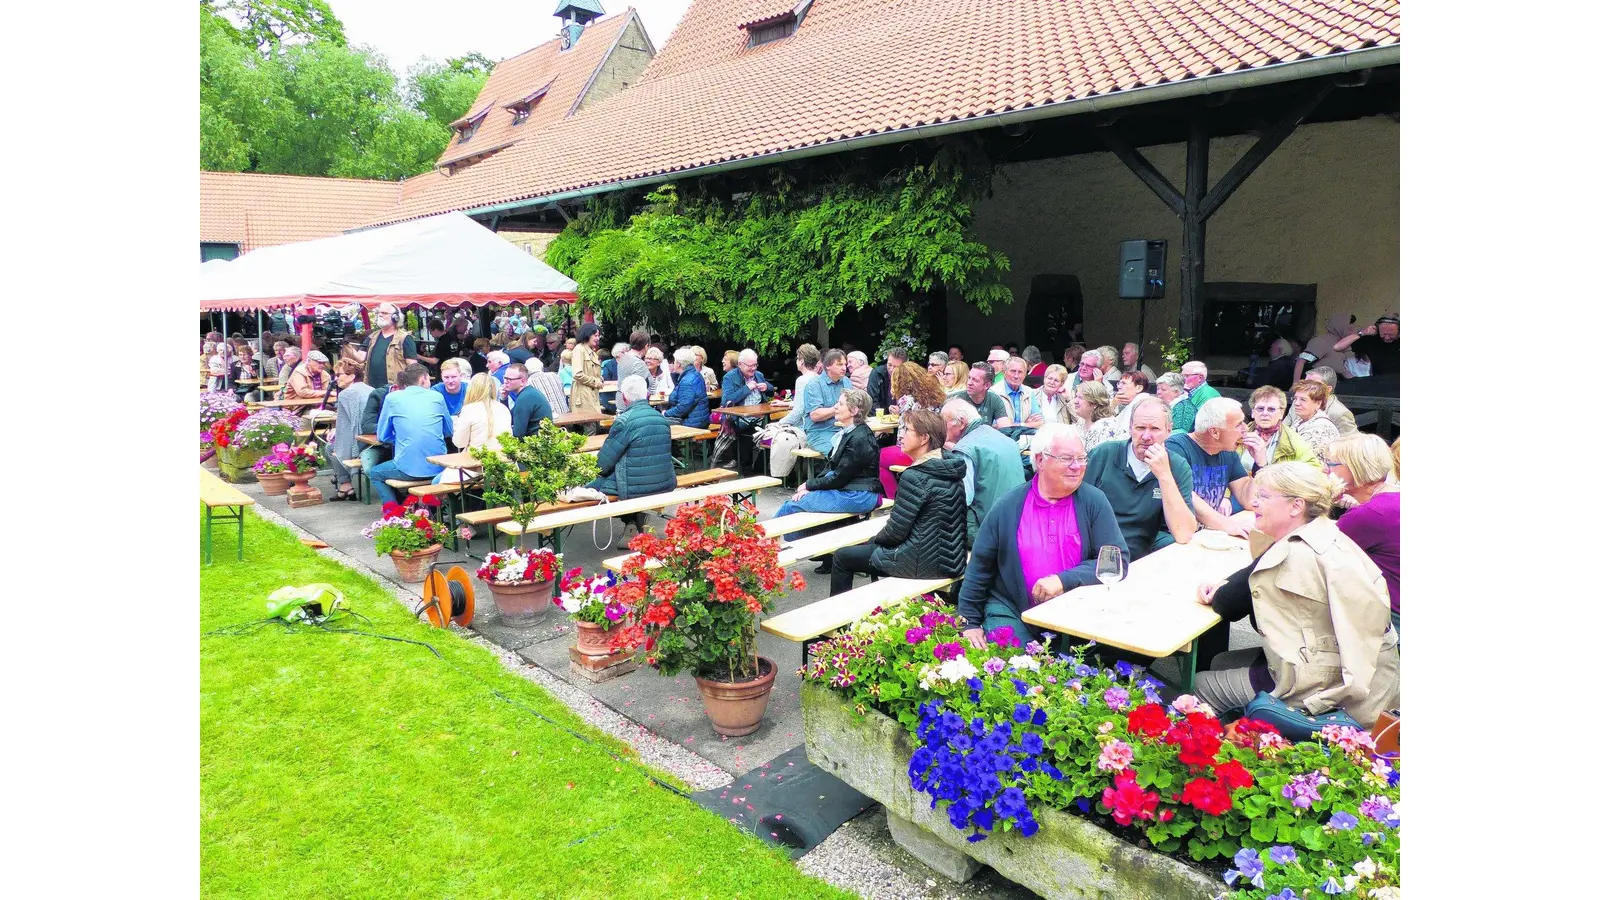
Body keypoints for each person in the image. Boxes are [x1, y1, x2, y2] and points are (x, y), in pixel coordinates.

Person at [1192, 463, 1399, 728]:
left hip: (1333, 688)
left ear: (1296, 506)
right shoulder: (1328, 532)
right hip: (1371, 675)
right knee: (1222, 660)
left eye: (1264, 496)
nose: (1254, 502)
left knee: (1202, 684)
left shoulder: (1292, 553)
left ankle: (1212, 753)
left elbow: (1229, 605)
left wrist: (1222, 587)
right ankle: (1249, 734)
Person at [958, 424, 1129, 646]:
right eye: (1067, 458)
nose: (1076, 466)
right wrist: (969, 622)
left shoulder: (1093, 501)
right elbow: (980, 565)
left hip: (1073, 616)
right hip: (1012, 609)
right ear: (1040, 460)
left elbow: (1118, 561)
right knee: (1018, 669)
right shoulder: (1009, 506)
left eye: (1082, 458)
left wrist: (1063, 580)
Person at [831, 409, 969, 595]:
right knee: (869, 547)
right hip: (951, 560)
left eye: (907, 430)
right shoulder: (950, 468)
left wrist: (876, 540)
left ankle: (839, 624)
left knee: (842, 557)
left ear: (924, 438)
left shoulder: (915, 476)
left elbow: (896, 532)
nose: (900, 435)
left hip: (920, 563)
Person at [774, 388, 884, 572]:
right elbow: (832, 469)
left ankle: (765, 551)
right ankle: (823, 552)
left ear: (854, 411)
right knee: (804, 503)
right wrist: (810, 487)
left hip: (859, 495)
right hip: (851, 490)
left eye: (840, 404)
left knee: (790, 507)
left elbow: (839, 478)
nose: (835, 407)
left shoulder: (859, 438)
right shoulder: (852, 431)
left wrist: (809, 485)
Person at [1084, 396, 1196, 560]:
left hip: (1141, 554)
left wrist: (1164, 475)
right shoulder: (1104, 454)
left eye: (1155, 429)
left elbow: (1184, 533)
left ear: (1169, 430)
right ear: (1130, 428)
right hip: (1095, 549)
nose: (1146, 436)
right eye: (1140, 427)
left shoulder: (1177, 466)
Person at [1326, 434, 1401, 633]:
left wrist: (1323, 501)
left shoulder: (1367, 515)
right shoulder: (1395, 498)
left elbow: (1317, 550)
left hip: (1392, 623)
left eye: (1332, 464)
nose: (1327, 470)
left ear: (1354, 469)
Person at [942, 397, 1027, 546]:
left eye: (944, 422)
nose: (942, 427)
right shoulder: (1005, 440)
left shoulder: (965, 449)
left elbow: (962, 500)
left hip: (986, 530)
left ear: (961, 422)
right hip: (1019, 524)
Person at [1166, 397, 1255, 537]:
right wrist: (1228, 525)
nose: (1245, 428)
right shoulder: (1176, 447)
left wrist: (1260, 465)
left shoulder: (1228, 452)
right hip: (1173, 534)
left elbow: (1249, 501)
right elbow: (1186, 495)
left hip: (1207, 532)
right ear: (1215, 432)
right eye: (1238, 425)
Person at [370, 364, 453, 505]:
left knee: (375, 473)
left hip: (407, 468)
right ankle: (432, 510)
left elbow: (382, 436)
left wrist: (401, 437)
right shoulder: (437, 397)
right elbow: (449, 431)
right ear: (423, 378)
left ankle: (393, 513)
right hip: (439, 467)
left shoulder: (392, 398)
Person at [588, 377, 676, 501]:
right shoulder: (662, 419)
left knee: (584, 486)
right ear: (646, 394)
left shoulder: (624, 421)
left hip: (633, 488)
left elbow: (603, 464)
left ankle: (630, 518)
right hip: (665, 483)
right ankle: (633, 519)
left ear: (624, 397)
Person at [877, 360, 949, 497]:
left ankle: (894, 498)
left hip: (915, 451)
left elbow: (902, 437)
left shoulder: (906, 400)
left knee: (876, 458)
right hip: (935, 449)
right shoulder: (935, 396)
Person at [711, 349, 773, 469]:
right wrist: (747, 388)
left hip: (761, 417)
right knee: (746, 435)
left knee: (774, 435)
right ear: (740, 364)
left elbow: (770, 391)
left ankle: (760, 467)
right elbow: (726, 401)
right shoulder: (730, 377)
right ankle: (747, 470)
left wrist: (767, 387)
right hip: (739, 419)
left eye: (755, 365)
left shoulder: (758, 375)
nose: (753, 368)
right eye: (750, 366)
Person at [325, 361, 374, 501]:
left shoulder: (346, 394)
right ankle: (345, 487)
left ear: (352, 376)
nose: (336, 378)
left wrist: (337, 432)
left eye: (339, 374)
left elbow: (349, 428)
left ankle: (345, 485)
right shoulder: (370, 389)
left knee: (330, 447)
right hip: (373, 438)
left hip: (360, 443)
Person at [1240, 386, 1320, 471]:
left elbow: (1315, 469)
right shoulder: (1240, 434)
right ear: (1252, 412)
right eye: (1260, 408)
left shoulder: (1293, 441)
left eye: (1271, 409)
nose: (1265, 413)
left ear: (1281, 414)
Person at [357, 303, 418, 392]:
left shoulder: (404, 338)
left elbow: (413, 367)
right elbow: (360, 358)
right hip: (371, 388)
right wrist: (347, 346)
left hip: (395, 389)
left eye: (384, 313)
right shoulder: (372, 337)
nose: (380, 315)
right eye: (379, 313)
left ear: (395, 317)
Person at [450, 373, 512, 458]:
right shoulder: (504, 408)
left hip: (478, 461)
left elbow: (459, 443)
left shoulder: (469, 409)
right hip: (503, 460)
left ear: (471, 389)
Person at [801, 349, 850, 453]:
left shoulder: (846, 381)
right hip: (821, 432)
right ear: (827, 366)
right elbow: (815, 415)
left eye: (845, 364)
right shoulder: (814, 385)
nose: (844, 368)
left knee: (866, 449)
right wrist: (838, 408)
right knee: (839, 454)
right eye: (839, 364)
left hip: (845, 430)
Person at [1294, 312, 1357, 383]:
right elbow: (1301, 362)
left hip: (1332, 385)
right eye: (1349, 326)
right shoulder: (1321, 342)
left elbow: (1343, 371)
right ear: (1338, 326)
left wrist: (1360, 383)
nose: (1352, 329)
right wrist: (1296, 384)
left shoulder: (1341, 347)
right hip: (1316, 385)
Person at [1287, 379, 1341, 463]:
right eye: (1295, 399)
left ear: (1318, 403)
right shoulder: (1301, 420)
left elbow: (1301, 460)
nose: (1296, 403)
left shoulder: (1321, 428)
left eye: (1303, 400)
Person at [1332, 314, 1400, 378]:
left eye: (1391, 335)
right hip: (1379, 385)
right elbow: (1337, 347)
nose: (1387, 337)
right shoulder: (1371, 340)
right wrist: (1363, 332)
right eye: (1384, 334)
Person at [774, 344, 822, 430]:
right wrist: (785, 403)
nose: (796, 361)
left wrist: (779, 423)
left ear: (802, 361)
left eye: (797, 358)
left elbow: (799, 410)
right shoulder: (819, 377)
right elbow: (808, 403)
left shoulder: (802, 380)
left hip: (805, 427)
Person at [1302, 366, 1358, 436]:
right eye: (1305, 383)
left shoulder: (1340, 413)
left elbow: (1352, 442)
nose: (1305, 387)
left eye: (1313, 384)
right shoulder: (1298, 402)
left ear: (1328, 389)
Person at [662, 347, 710, 427]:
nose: (673, 364)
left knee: (657, 423)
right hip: (698, 419)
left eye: (674, 361)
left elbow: (683, 408)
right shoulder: (694, 374)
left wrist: (665, 413)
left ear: (679, 364)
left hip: (691, 423)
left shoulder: (687, 381)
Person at [1170, 361, 1221, 434]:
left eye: (1186, 376)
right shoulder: (1187, 392)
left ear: (1200, 378)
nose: (1182, 379)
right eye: (1182, 376)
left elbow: (1200, 422)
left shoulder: (1209, 394)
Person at [508, 365, 554, 438]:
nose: (505, 382)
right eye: (505, 378)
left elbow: (518, 435)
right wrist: (503, 399)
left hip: (536, 445)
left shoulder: (525, 398)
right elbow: (509, 418)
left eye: (509, 379)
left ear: (522, 381)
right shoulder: (529, 392)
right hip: (542, 441)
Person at [1072, 381, 1118, 452]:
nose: (1075, 401)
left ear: (1095, 404)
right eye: (1076, 396)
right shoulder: (1082, 421)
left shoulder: (1107, 427)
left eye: (1080, 398)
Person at [569, 323, 604, 415]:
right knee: (590, 427)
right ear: (587, 334)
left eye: (598, 336)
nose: (598, 338)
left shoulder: (592, 352)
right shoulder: (579, 349)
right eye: (595, 335)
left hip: (592, 396)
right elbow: (577, 374)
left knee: (595, 426)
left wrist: (599, 378)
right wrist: (595, 382)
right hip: (583, 398)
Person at [992, 357, 1037, 428]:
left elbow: (1039, 422)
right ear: (1004, 372)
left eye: (1020, 372)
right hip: (1002, 436)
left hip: (1026, 436)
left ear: (1025, 374)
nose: (1016, 376)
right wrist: (1026, 424)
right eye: (1013, 371)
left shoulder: (1029, 392)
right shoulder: (994, 393)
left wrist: (1020, 425)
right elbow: (995, 424)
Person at [614, 331, 651, 410]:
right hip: (632, 406)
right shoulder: (638, 363)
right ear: (646, 346)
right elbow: (638, 389)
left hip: (620, 401)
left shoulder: (623, 358)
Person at [866, 347, 907, 413]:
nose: (891, 369)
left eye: (896, 367)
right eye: (889, 365)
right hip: (880, 416)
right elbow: (872, 400)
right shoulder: (877, 373)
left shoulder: (908, 377)